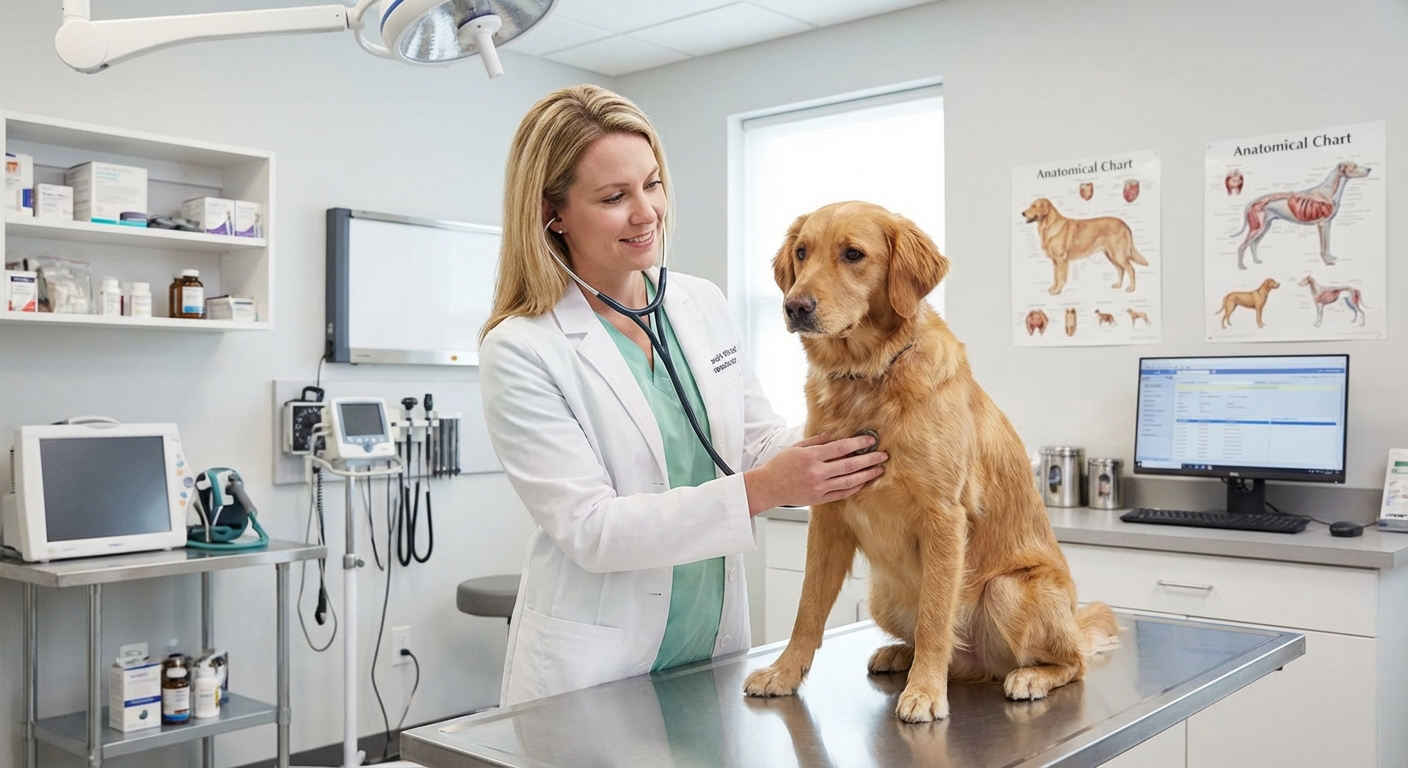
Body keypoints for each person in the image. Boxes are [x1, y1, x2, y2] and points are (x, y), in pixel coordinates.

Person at [478, 84, 888, 706]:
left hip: (709, 646)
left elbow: (756, 438)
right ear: (550, 213)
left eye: (653, 183)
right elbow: (592, 530)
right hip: (595, 669)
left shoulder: (699, 302)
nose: (647, 212)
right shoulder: (522, 348)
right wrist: (768, 489)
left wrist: (868, 427)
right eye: (615, 197)